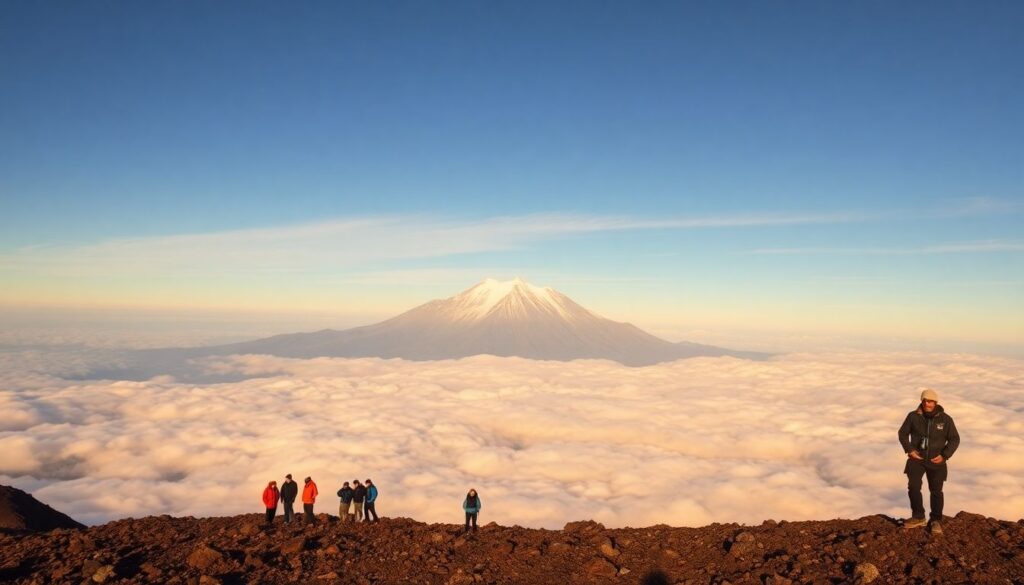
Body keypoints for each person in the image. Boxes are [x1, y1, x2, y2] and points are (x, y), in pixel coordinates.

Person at [898, 387, 960, 535]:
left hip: (937, 461)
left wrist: (945, 455)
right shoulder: (913, 416)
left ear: (936, 402)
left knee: (936, 491)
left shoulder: (945, 419)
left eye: (931, 401)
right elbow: (902, 433)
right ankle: (918, 517)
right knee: (913, 487)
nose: (928, 404)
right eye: (925, 401)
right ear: (922, 401)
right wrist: (910, 450)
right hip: (916, 459)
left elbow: (954, 439)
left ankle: (936, 520)